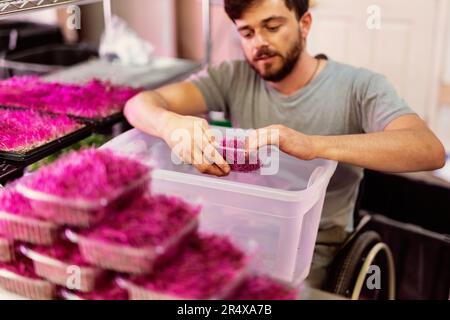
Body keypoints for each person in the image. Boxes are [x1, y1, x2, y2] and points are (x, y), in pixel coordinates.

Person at [124, 0, 445, 289]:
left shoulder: (359, 87)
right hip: (236, 231)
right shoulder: (232, 77)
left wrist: (313, 145)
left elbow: (428, 150)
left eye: (272, 26)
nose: (259, 42)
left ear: (304, 23)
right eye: (247, 33)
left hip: (310, 250)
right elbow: (139, 104)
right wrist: (170, 124)